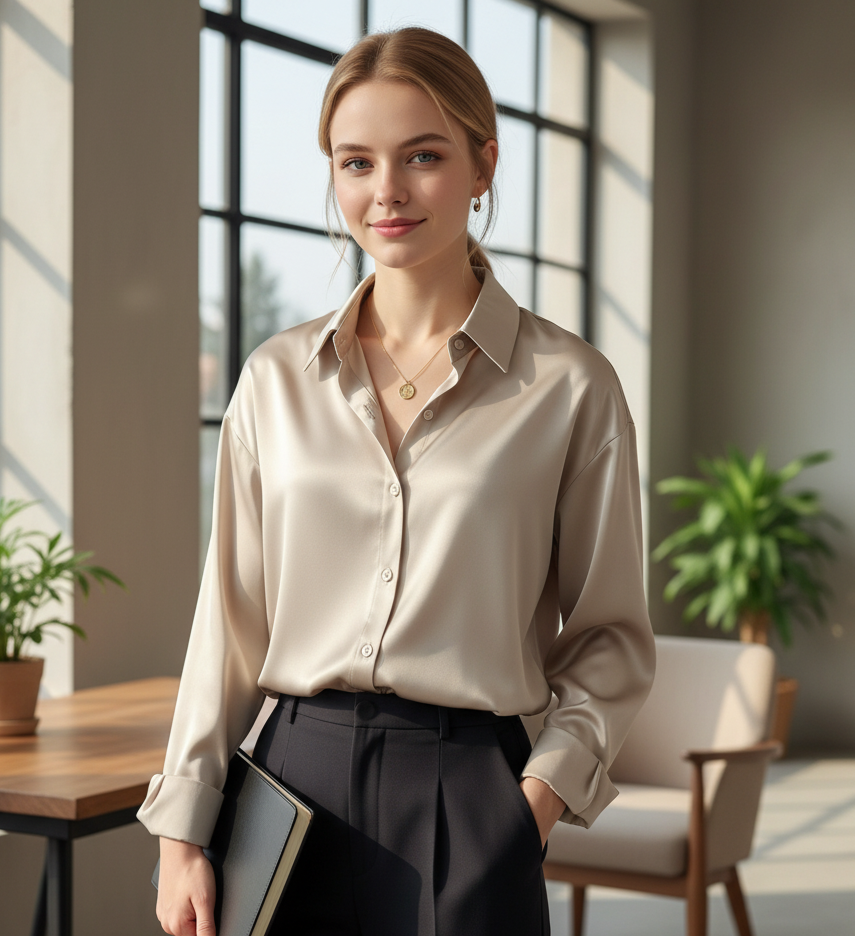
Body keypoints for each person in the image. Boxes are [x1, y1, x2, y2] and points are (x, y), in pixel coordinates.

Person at [138, 26, 655, 936]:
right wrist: (183, 832)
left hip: (470, 793)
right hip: (287, 791)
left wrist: (533, 799)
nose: (386, 192)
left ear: (483, 163)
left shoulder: (571, 388)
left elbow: (611, 637)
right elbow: (229, 620)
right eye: (356, 161)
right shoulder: (275, 379)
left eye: (422, 155)